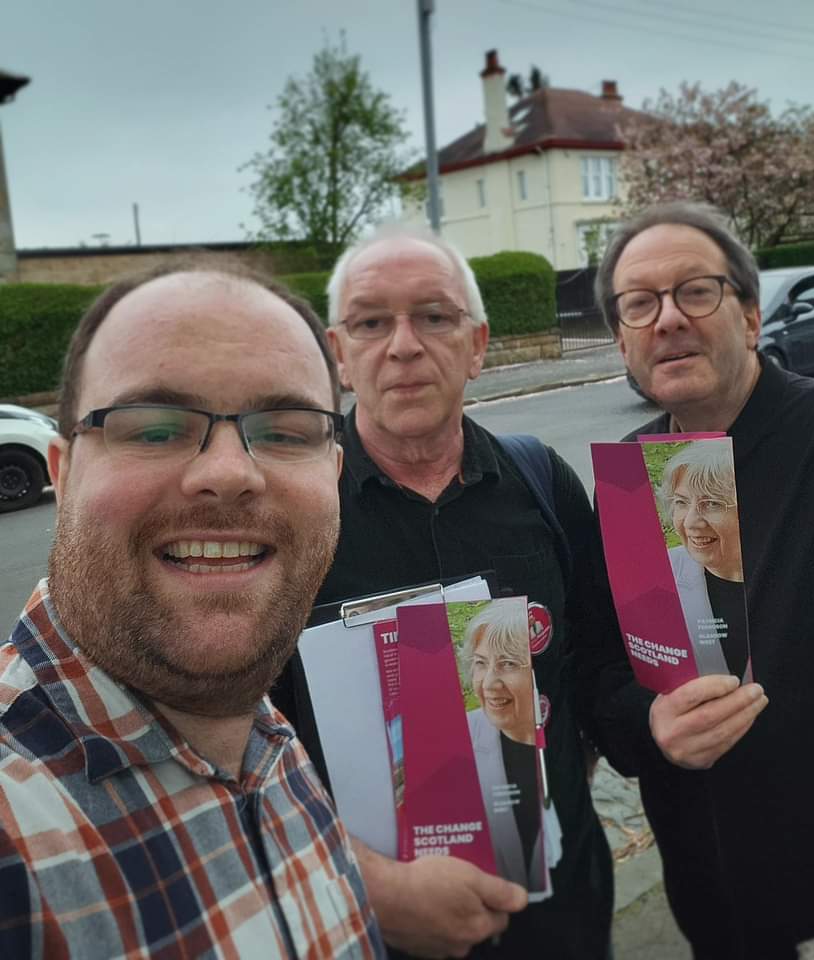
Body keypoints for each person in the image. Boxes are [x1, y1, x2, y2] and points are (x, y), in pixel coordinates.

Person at [585, 201, 814, 958]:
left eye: (697, 291)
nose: (668, 320)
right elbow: (603, 670)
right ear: (623, 342)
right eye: (640, 305)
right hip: (718, 910)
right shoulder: (627, 481)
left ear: (752, 316)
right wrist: (648, 726)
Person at [0, 263, 382, 958]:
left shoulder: (266, 737)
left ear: (332, 474)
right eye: (152, 429)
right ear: (62, 475)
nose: (230, 472)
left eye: (288, 431)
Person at [274, 225, 615, 959]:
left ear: (478, 343)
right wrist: (362, 883)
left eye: (434, 316)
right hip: (376, 925)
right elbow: (240, 745)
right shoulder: (289, 513)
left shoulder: (542, 482)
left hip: (559, 906)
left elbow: (599, 666)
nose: (402, 346)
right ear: (338, 354)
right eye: (371, 322)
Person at [459, 601, 546, 891]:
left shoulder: (553, 734)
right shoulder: (459, 734)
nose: (490, 684)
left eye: (508, 663)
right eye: (481, 663)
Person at [658, 441, 749, 680]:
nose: (690, 523)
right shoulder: (658, 573)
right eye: (681, 502)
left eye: (712, 504)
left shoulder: (792, 564)